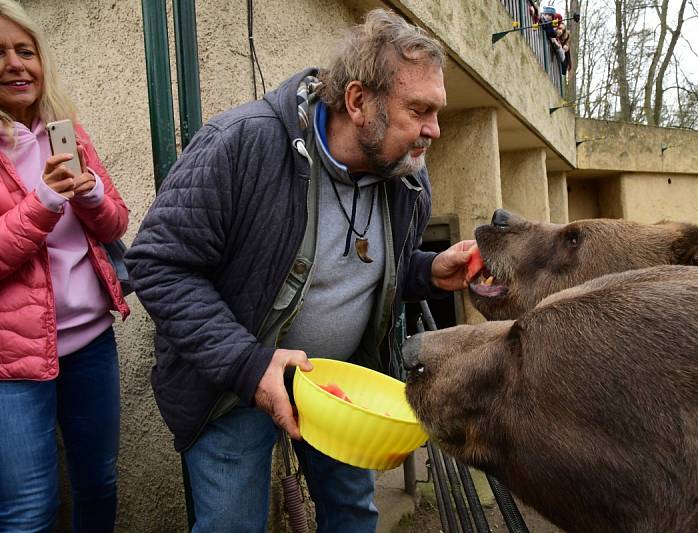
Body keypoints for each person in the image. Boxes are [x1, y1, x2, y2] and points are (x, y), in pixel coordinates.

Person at [125, 8, 474, 533]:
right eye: (419, 110)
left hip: (342, 392)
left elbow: (367, 271)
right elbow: (156, 264)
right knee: (231, 526)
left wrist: (427, 272)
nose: (434, 130)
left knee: (353, 516)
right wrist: (248, 365)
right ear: (357, 102)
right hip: (233, 384)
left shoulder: (408, 178)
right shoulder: (242, 142)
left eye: (437, 111)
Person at [0, 1, 130, 531]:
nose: (15, 64)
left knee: (98, 484)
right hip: (12, 363)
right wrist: (45, 201)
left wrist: (92, 193)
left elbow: (116, 224)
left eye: (25, 51)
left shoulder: (67, 134)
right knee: (29, 511)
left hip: (91, 345)